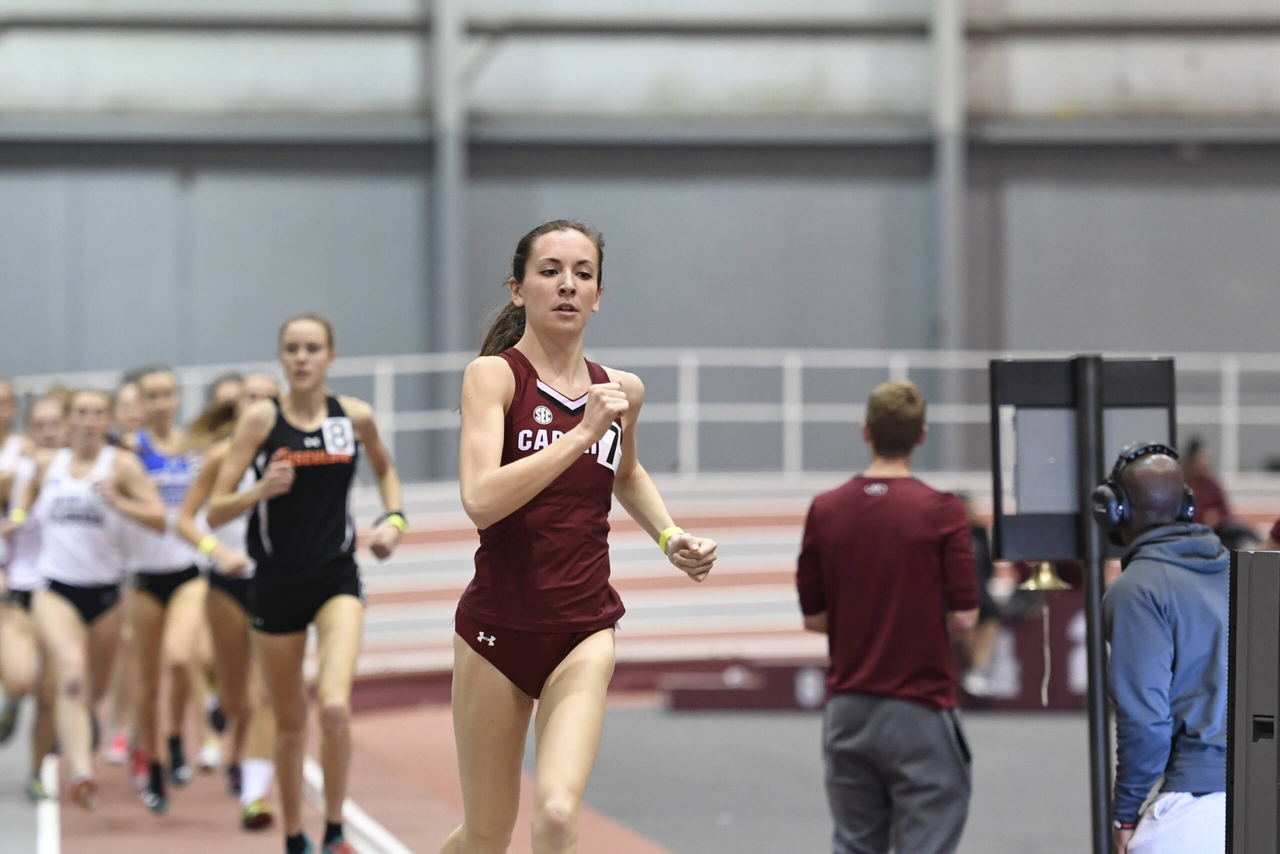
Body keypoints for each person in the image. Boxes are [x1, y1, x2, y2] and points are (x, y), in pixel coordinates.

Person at [441, 220, 718, 854]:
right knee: (486, 833)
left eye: (583, 274)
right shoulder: (494, 378)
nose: (567, 285)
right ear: (518, 290)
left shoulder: (621, 393)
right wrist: (580, 434)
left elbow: (627, 472)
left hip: (583, 628)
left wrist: (669, 534)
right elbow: (481, 501)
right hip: (496, 633)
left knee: (559, 816)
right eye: (549, 271)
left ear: (598, 296)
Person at [209, 314, 405, 854]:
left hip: (336, 578)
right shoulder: (259, 422)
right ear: (281, 358)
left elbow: (386, 470)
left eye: (312, 348)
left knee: (336, 706)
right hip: (275, 585)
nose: (301, 357)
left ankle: (336, 828)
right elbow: (214, 509)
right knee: (290, 722)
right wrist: (259, 491)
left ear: (330, 356)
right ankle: (295, 835)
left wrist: (394, 519)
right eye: (292, 348)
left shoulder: (353, 417)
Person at [796, 379, 978, 854]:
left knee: (854, 844)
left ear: (866, 432)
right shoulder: (942, 511)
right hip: (919, 706)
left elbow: (814, 619)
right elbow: (964, 619)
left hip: (848, 711)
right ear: (921, 436)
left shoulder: (826, 509)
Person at [5, 389, 166, 808]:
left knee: (91, 691)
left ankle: (80, 736)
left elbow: (159, 519)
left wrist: (120, 501)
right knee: (69, 677)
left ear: (108, 419)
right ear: (69, 419)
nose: (89, 421)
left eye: (98, 413)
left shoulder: (123, 466)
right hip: (54, 590)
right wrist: (18, 519)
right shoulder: (47, 463)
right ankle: (79, 772)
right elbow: (25, 494)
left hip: (108, 594)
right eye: (81, 413)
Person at [1092, 443, 1227, 854]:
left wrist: (1126, 814)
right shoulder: (1237, 567)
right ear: (1187, 505)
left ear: (1113, 509)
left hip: (1198, 804)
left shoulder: (1136, 590)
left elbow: (1144, 719)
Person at [177, 373, 281, 831]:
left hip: (277, 584)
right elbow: (184, 520)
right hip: (226, 584)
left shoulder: (295, 456)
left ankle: (255, 796)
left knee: (265, 694)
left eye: (267, 398)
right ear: (237, 408)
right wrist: (216, 552)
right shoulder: (221, 456)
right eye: (250, 398)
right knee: (238, 696)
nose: (258, 405)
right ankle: (235, 742)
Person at [125, 365, 208, 813]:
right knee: (145, 682)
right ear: (139, 403)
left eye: (167, 394)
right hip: (142, 576)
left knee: (179, 659)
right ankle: (154, 766)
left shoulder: (194, 448)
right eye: (151, 396)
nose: (160, 403)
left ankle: (176, 736)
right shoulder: (129, 452)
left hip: (187, 571)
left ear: (177, 399)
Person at [0, 396, 66, 800]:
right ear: (29, 429)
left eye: (55, 423)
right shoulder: (16, 473)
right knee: (23, 681)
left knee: (50, 694)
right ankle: (10, 701)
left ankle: (38, 772)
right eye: (39, 424)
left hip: (63, 593)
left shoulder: (88, 472)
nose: (47, 431)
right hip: (20, 588)